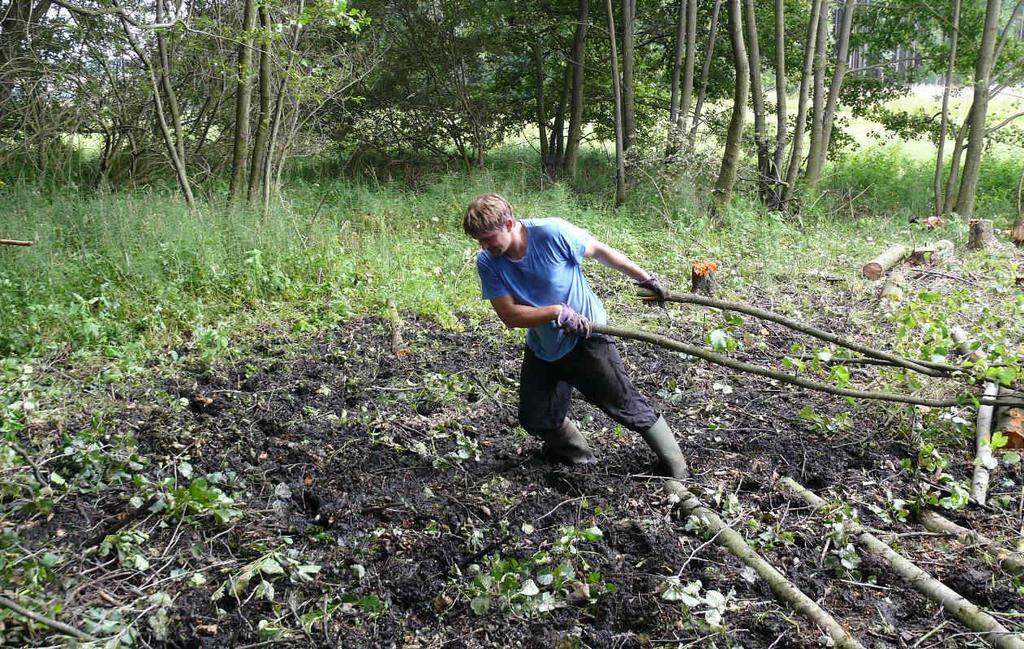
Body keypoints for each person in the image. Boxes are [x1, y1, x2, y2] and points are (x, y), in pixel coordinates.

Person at [463, 193, 689, 480]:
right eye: (479, 241)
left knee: (625, 405)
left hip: (588, 339)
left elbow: (599, 251)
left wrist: (644, 278)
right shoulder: (488, 262)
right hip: (544, 348)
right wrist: (556, 312)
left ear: (508, 224)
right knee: (535, 416)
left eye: (488, 238)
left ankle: (677, 469)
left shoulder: (552, 233)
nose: (484, 246)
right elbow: (509, 315)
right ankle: (581, 459)